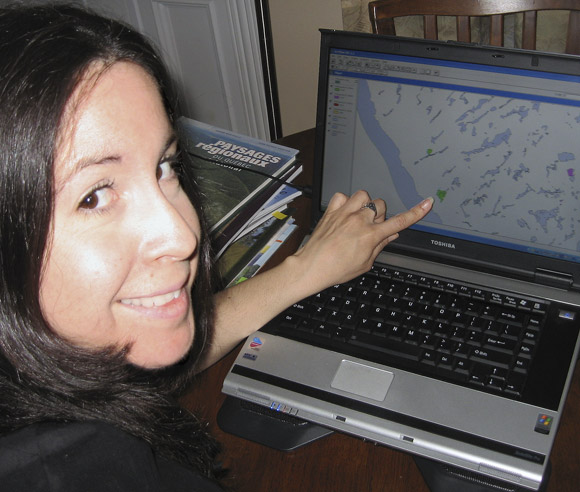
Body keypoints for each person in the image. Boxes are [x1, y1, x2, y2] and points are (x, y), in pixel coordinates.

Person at [0, 3, 433, 491]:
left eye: (164, 166)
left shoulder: (52, 373)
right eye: (94, 195)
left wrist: (307, 268)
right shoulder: (71, 466)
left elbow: (134, 369)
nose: (183, 236)